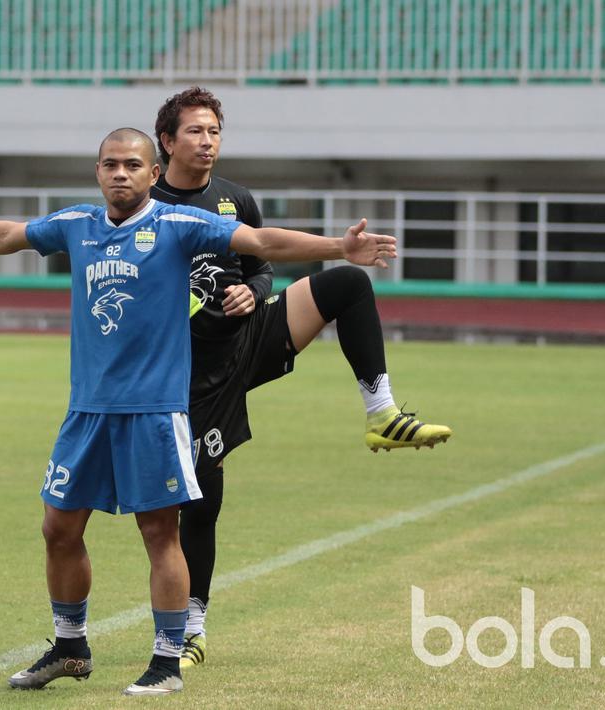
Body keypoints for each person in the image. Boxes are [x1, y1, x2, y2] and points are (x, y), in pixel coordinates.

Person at [0, 128, 398, 697]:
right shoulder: (77, 225)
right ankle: (71, 648)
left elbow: (263, 241)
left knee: (158, 533)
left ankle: (167, 661)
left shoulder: (178, 226)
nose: (120, 174)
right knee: (58, 528)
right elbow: (8, 236)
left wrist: (338, 250)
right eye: (109, 165)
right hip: (88, 410)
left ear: (152, 174)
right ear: (97, 172)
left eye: (132, 165)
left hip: (154, 411)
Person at [150, 87, 453, 669]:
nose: (208, 141)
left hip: (249, 340)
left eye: (215, 130)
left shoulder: (235, 198)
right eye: (195, 131)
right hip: (190, 373)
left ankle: (382, 412)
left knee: (346, 284)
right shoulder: (147, 203)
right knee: (202, 500)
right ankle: (192, 628)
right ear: (167, 141)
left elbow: (261, 262)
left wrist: (252, 290)